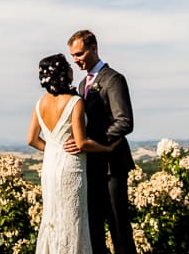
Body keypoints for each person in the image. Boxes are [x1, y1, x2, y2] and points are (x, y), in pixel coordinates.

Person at [27, 53, 120, 254]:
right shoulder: (75, 102)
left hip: (50, 168)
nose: (72, 67)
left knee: (52, 217)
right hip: (71, 168)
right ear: (63, 73)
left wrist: (54, 150)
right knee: (73, 219)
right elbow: (81, 142)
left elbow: (32, 140)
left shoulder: (39, 103)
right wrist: (107, 148)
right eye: (68, 65)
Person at [63, 30, 137, 254]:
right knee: (93, 228)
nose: (76, 60)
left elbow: (125, 122)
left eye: (79, 54)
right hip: (90, 167)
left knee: (119, 228)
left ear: (94, 48)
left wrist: (91, 142)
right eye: (73, 56)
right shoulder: (83, 83)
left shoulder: (113, 79)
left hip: (112, 165)